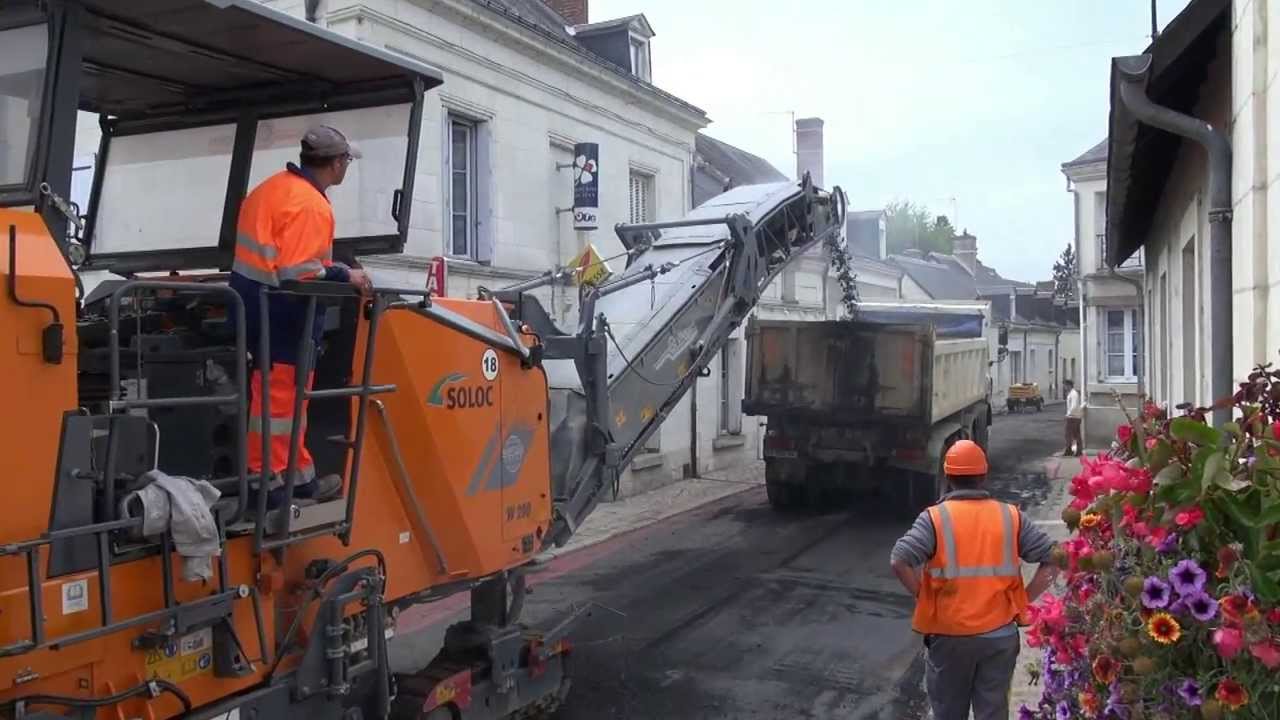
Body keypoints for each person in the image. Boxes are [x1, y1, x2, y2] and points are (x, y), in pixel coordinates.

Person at [230, 125, 373, 509]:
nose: (346, 167)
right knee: (279, 404)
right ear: (337, 163)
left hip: (257, 305)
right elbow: (299, 271)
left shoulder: (272, 188)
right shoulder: (310, 204)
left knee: (280, 402)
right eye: (346, 160)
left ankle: (294, 477)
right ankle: (271, 485)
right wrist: (348, 274)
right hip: (283, 312)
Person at [889, 440, 1058, 720]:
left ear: (947, 476)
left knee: (947, 711)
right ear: (983, 476)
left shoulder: (934, 519)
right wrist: (1024, 600)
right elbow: (1054, 558)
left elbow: (899, 560)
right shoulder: (1009, 516)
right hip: (999, 634)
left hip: (950, 635)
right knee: (992, 712)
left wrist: (923, 597)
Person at [1064, 379, 1083, 456]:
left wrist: (1068, 414)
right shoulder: (1071, 393)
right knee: (1073, 434)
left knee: (1071, 434)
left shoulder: (1073, 394)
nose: (1064, 387)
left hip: (1073, 417)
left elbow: (1074, 406)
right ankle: (1072, 450)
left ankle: (1073, 451)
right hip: (1074, 417)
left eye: (1065, 385)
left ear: (1069, 385)